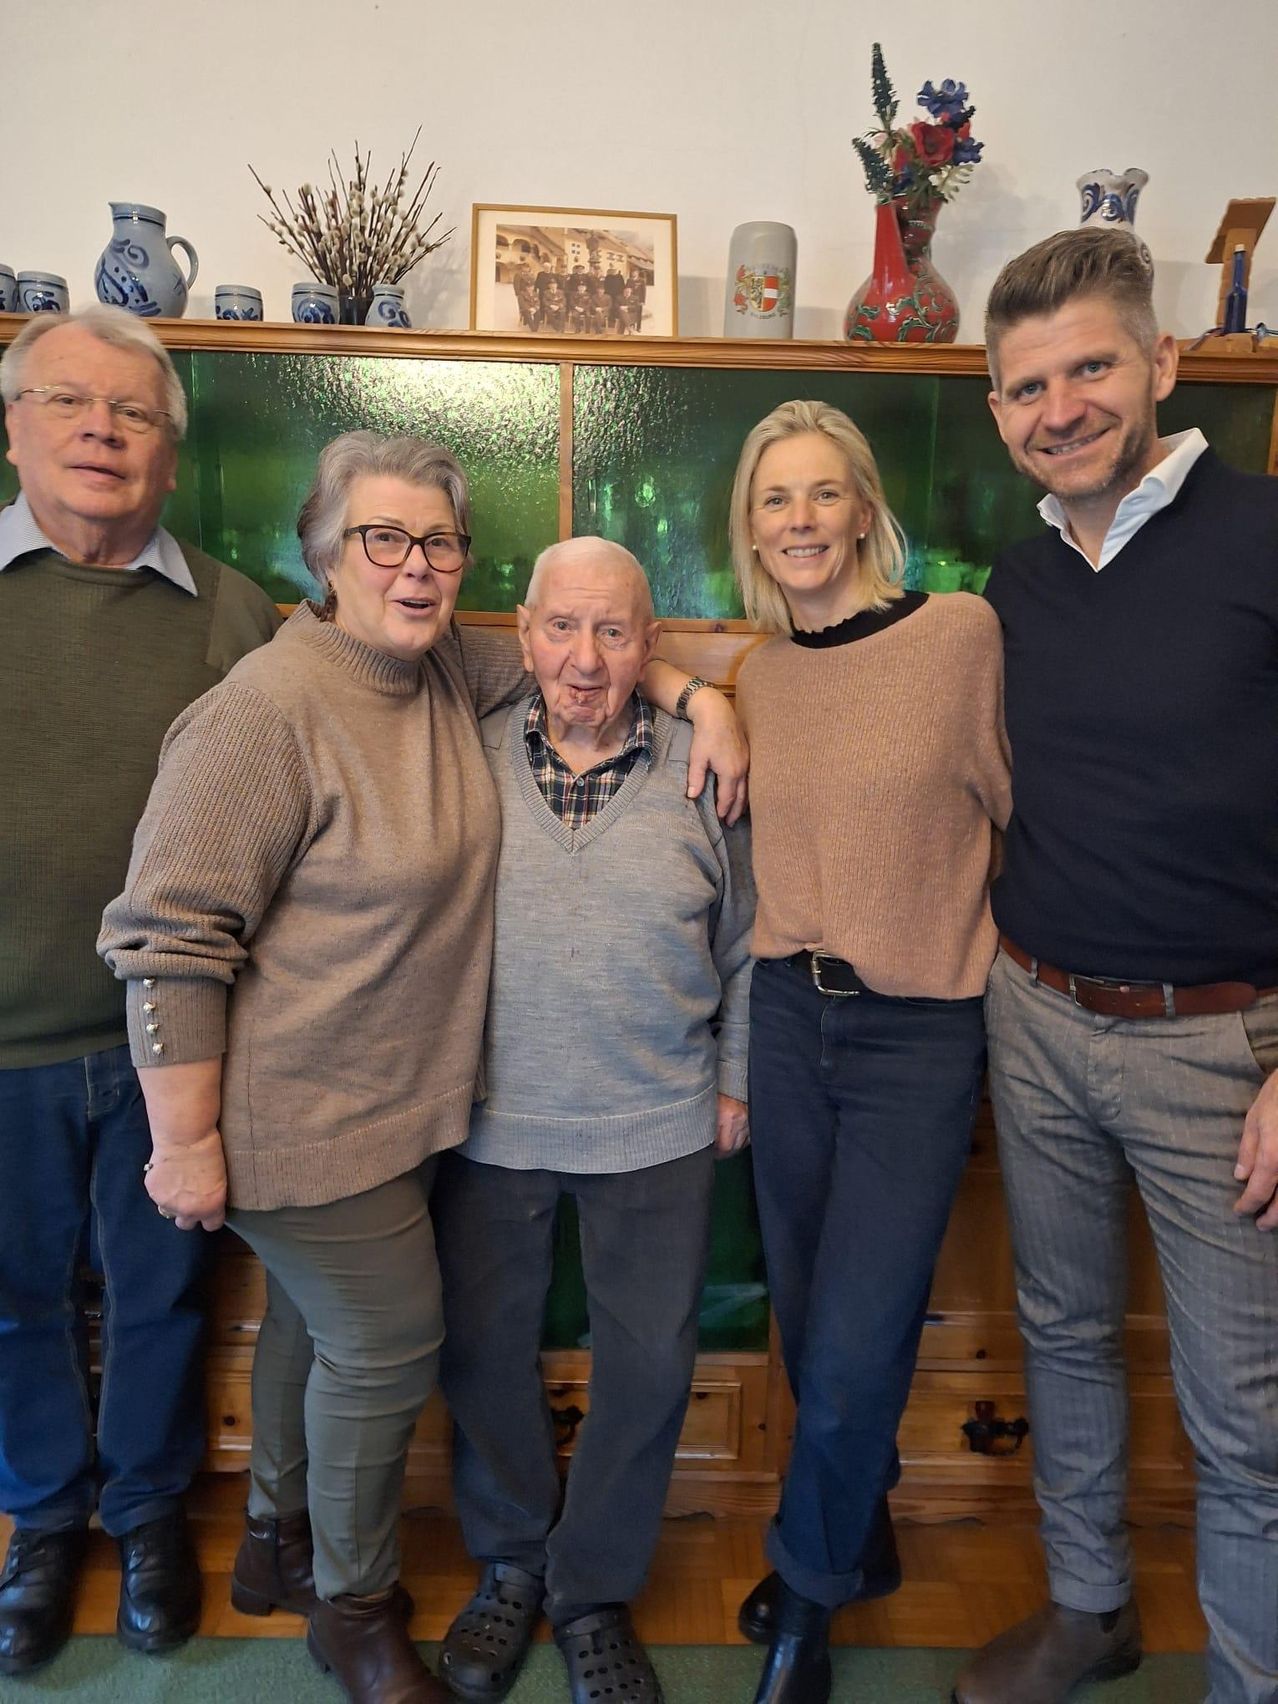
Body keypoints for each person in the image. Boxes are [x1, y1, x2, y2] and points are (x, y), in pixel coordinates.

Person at [98, 433, 747, 1704]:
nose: (413, 566)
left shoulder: (449, 669)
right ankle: (386, 1598)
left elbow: (586, 649)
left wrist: (700, 695)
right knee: (402, 1344)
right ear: (325, 553)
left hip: (431, 1113)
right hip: (319, 1114)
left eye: (439, 544)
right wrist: (183, 1142)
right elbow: (169, 935)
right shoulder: (269, 707)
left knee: (336, 1328)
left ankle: (310, 1550)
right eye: (381, 540)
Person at [953, 228, 1278, 1704]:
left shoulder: (1264, 538)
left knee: (1246, 1417)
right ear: (998, 411)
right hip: (1034, 1015)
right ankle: (1090, 1609)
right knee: (1063, 1334)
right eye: (1028, 385)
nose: (1061, 405)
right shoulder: (1009, 584)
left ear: (1161, 362)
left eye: (1089, 366)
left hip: (1226, 1048)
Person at [0, 305, 280, 1676]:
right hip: (2, 1046)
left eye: (134, 415)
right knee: (16, 1298)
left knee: (165, 1292)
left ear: (171, 453)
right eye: (69, 403)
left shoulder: (230, 612)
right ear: (13, 426)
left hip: (170, 1045)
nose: (102, 432)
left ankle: (150, 1512)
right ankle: (43, 1524)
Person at [432, 537, 754, 1704]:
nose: (584, 658)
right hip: (485, 1118)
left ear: (648, 645)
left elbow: (753, 942)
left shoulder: (703, 771)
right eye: (561, 629)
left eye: (614, 632)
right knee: (480, 1355)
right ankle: (514, 1559)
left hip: (658, 1120)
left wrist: (737, 1080)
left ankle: (594, 1589)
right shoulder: (459, 754)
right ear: (520, 639)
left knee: (651, 1367)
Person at [728, 400, 1011, 1704]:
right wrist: (691, 685)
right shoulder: (760, 674)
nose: (798, 521)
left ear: (861, 507)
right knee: (806, 1325)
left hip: (914, 1037)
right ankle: (861, 1529)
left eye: (820, 494)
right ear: (752, 525)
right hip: (788, 1021)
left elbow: (1023, 818)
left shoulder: (957, 639)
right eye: (773, 499)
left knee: (854, 1346)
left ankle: (808, 1607)